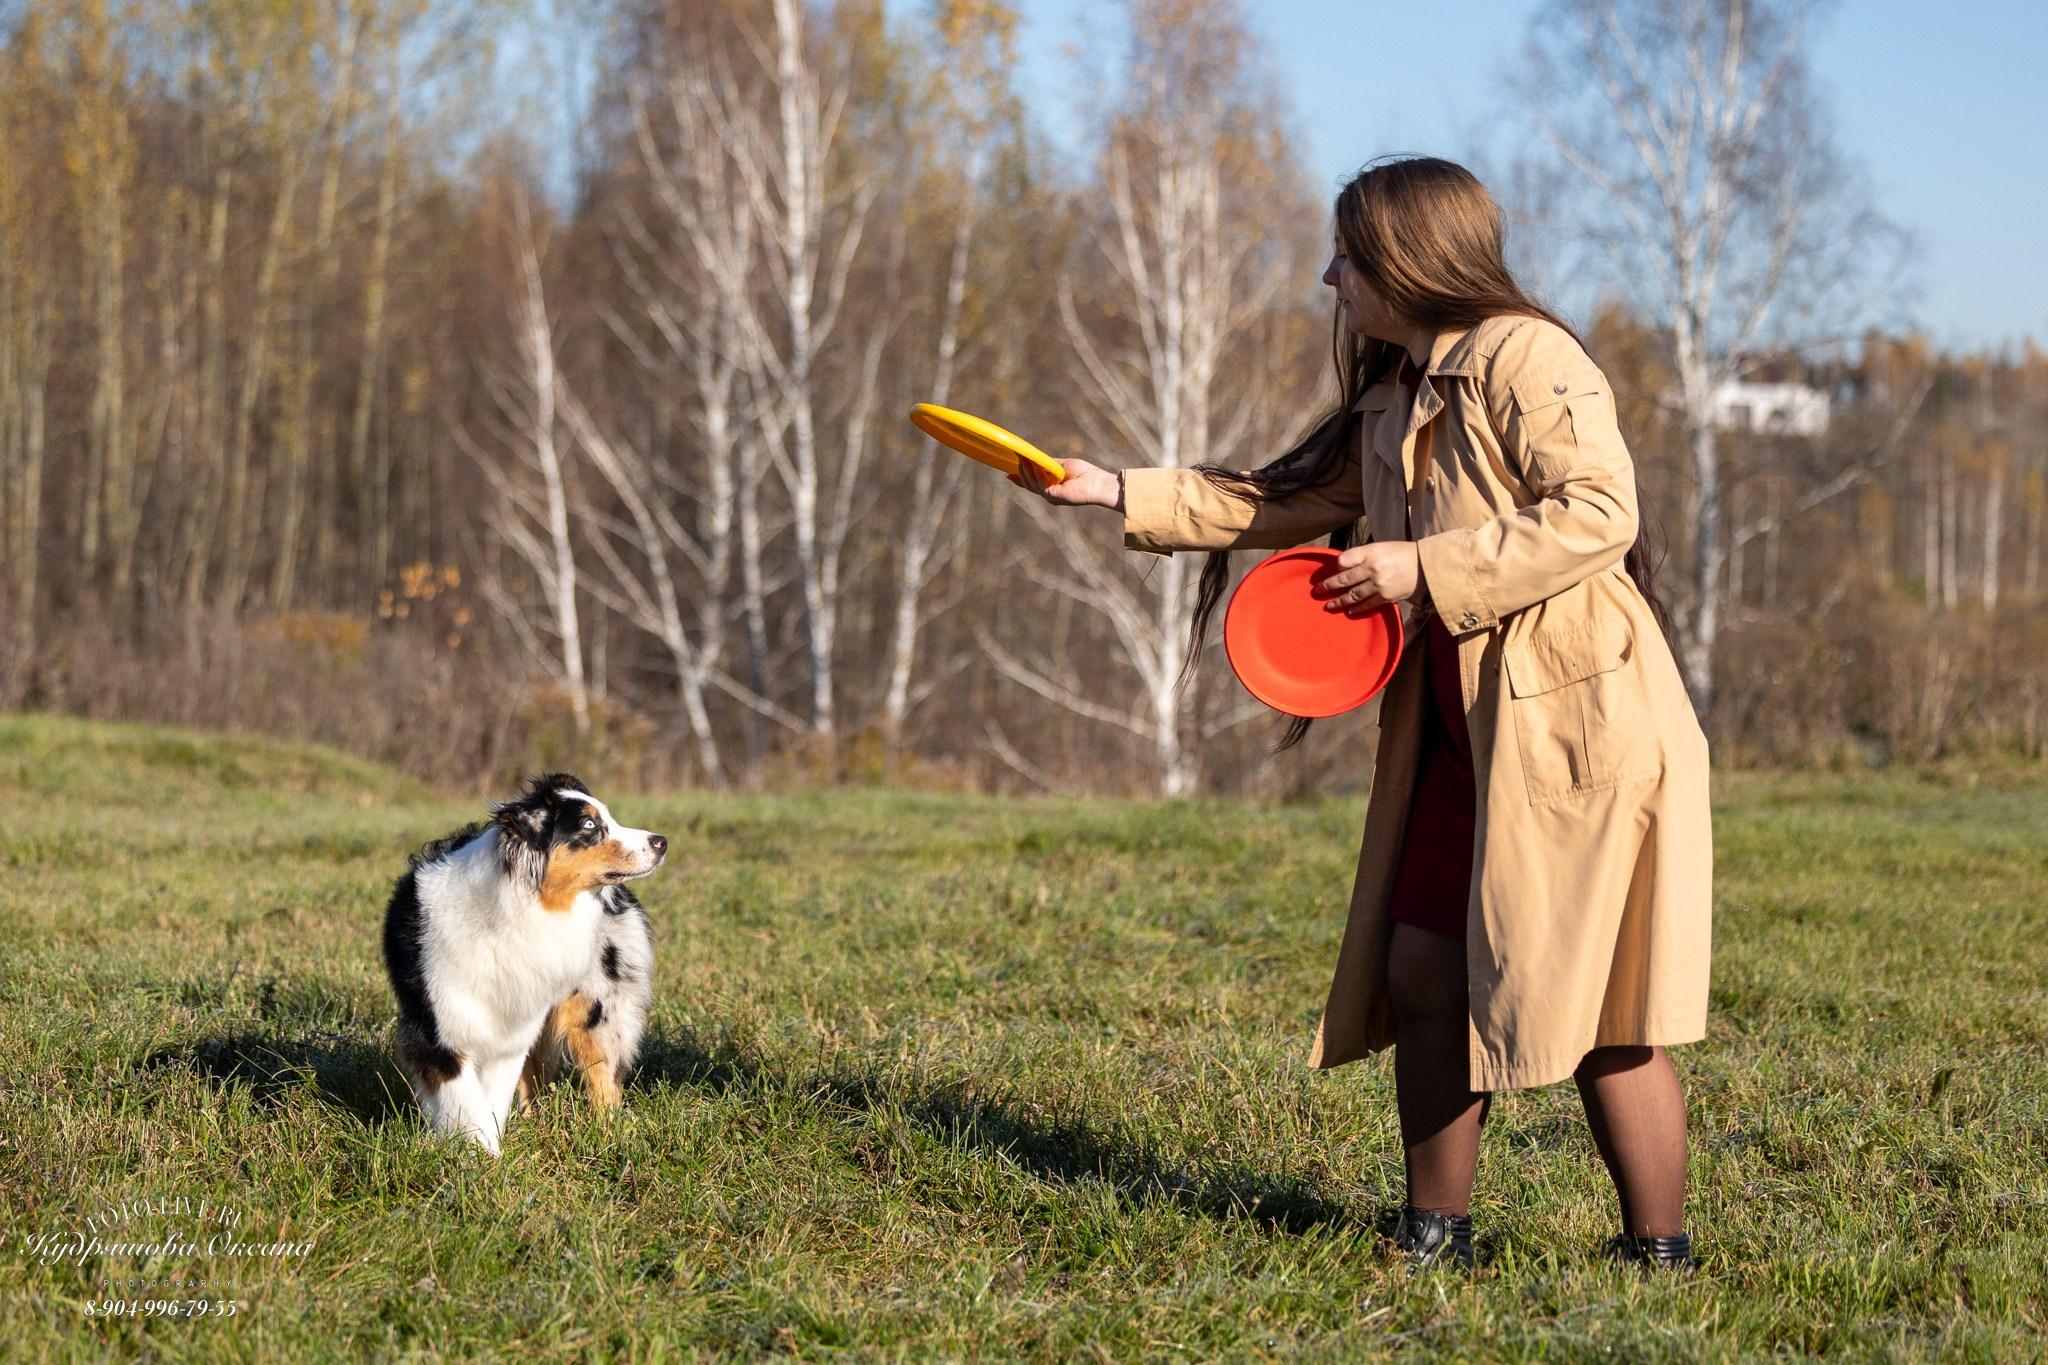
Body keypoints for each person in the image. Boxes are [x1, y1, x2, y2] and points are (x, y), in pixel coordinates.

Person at [1015, 156, 1711, 1271]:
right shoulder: (1396, 388)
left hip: (1576, 733)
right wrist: (1111, 490)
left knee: (1599, 1008)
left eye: (1345, 253)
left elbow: (1599, 510)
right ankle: (1434, 1236)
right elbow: (1282, 496)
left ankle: (1657, 1255)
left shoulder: (1525, 357)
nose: (1326, 273)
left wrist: (1416, 568)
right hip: (1455, 735)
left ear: (1406, 258)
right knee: (1421, 972)